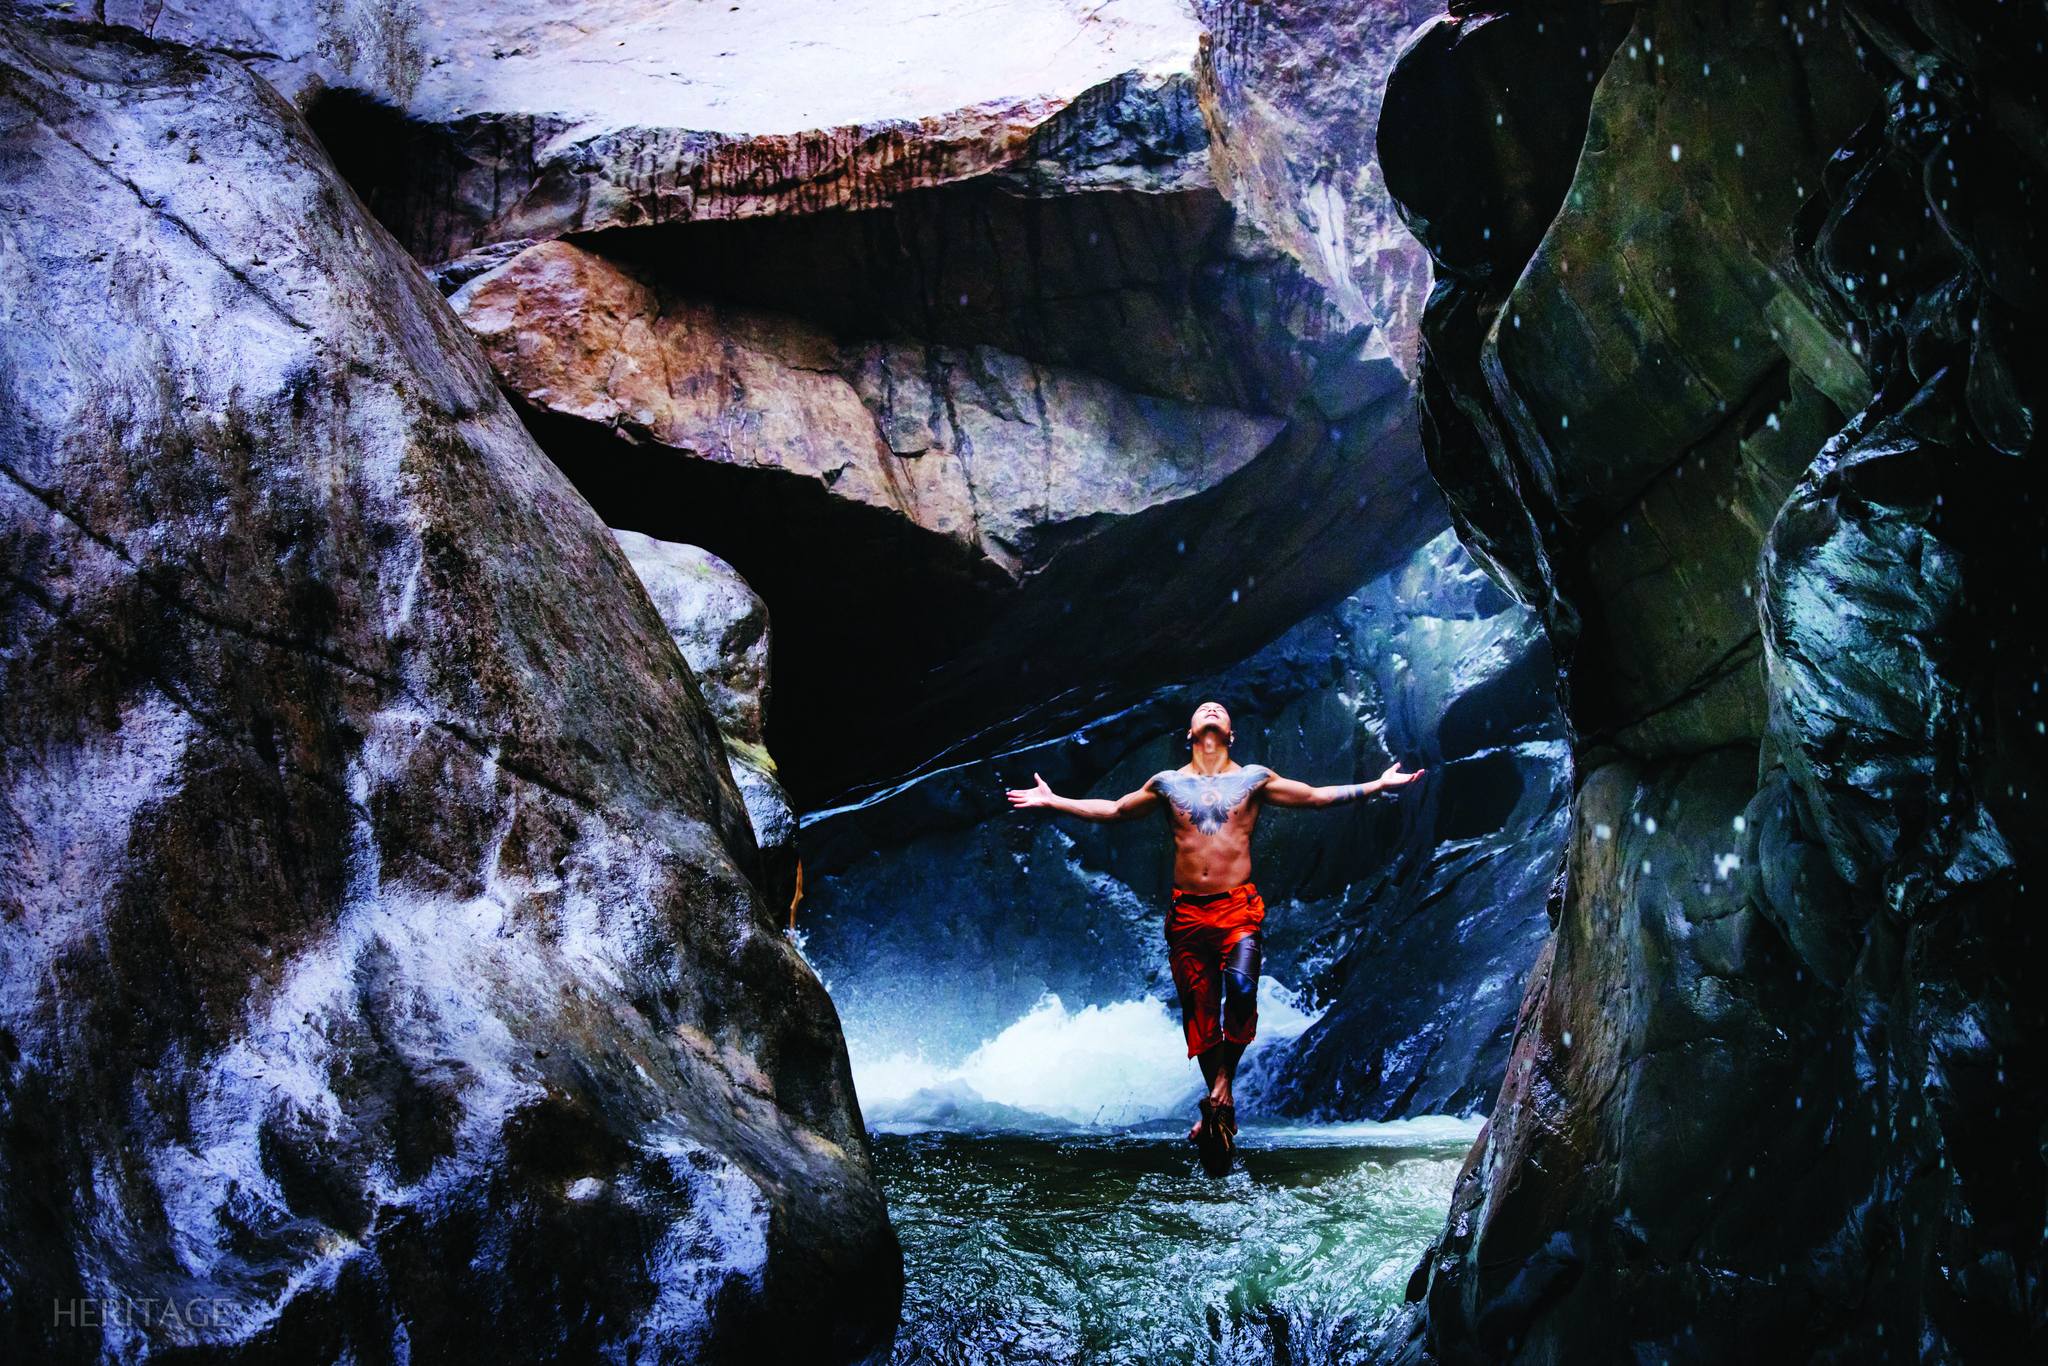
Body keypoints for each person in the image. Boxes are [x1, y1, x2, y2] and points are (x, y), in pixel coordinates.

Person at [1005, 700, 1422, 1174]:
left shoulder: (1255, 779)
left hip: (1238, 908)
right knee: (1200, 1014)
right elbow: (1116, 809)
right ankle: (1220, 1105)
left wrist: (1377, 784)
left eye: (1219, 710)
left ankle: (1223, 1084)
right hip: (1186, 915)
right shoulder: (1166, 783)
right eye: (1204, 709)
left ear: (1231, 734)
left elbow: (1315, 797)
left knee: (1242, 991)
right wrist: (1054, 800)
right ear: (1189, 733)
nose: (1210, 709)